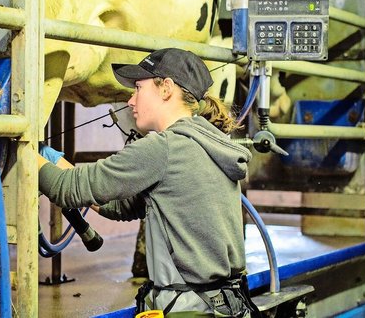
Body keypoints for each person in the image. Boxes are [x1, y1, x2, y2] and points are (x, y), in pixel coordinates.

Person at [38, 48, 257, 317]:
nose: (130, 101)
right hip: (223, 304)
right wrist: (54, 161)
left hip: (192, 308)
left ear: (166, 88)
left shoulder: (163, 148)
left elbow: (66, 189)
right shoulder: (202, 143)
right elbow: (123, 206)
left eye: (138, 89)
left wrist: (23, 151)